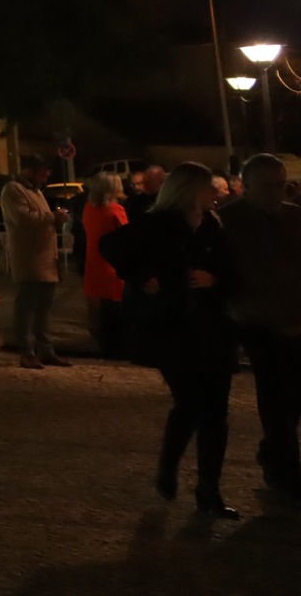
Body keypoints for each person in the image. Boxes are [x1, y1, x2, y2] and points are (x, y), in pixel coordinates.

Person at [100, 162, 238, 518]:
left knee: (217, 412)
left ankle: (209, 489)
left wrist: (215, 280)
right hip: (172, 327)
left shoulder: (213, 226)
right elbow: (111, 245)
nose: (217, 194)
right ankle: (169, 467)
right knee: (191, 402)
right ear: (192, 190)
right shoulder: (157, 223)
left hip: (211, 327)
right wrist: (141, 276)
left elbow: (233, 271)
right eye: (211, 188)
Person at [222, 153, 301, 496]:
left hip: (295, 318)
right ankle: (285, 470)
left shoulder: (295, 218)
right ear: (245, 186)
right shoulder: (225, 221)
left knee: (293, 396)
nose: (275, 192)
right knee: (276, 395)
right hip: (255, 321)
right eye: (267, 186)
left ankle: (275, 455)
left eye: (281, 185)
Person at [1, 157, 66, 368]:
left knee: (43, 307)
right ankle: (27, 352)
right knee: (27, 307)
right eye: (43, 175)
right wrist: (52, 218)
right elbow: (23, 218)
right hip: (29, 257)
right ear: (30, 171)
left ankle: (45, 349)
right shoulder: (13, 190)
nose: (45, 180)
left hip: (45, 257)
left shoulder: (36, 191)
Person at [81, 172, 129, 359]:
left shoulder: (88, 208)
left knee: (98, 308)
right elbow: (126, 236)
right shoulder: (116, 210)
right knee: (114, 307)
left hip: (93, 262)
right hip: (112, 264)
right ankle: (118, 347)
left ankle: (103, 343)